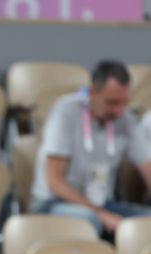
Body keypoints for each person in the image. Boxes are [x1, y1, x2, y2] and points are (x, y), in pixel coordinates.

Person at [30, 60, 151, 235]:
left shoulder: (126, 120)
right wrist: (101, 214)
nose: (118, 111)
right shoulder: (65, 113)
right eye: (112, 102)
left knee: (146, 221)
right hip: (54, 203)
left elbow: (148, 168)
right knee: (89, 219)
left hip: (102, 203)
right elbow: (55, 183)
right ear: (93, 92)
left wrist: (103, 212)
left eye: (124, 102)